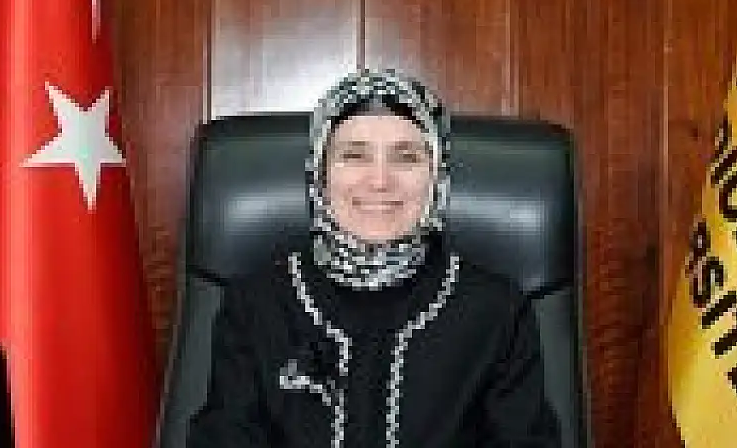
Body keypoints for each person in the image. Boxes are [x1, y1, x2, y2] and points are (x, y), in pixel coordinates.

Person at [187, 69, 560, 447]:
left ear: (437, 177)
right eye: (354, 155)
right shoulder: (257, 304)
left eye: (406, 157)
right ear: (320, 173)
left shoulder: (496, 312)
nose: (380, 180)